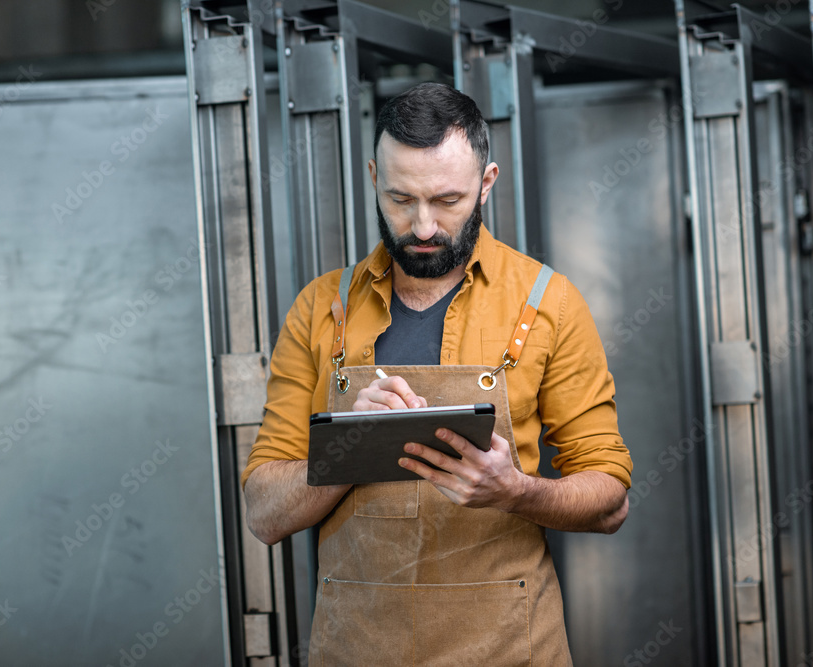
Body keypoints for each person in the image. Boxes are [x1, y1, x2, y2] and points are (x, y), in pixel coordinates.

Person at [241, 82, 632, 665]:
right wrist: (347, 448)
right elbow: (263, 514)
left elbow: (611, 500)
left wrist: (516, 491)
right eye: (401, 199)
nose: (422, 226)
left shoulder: (551, 303)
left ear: (487, 183)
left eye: (447, 201)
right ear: (374, 177)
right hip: (357, 648)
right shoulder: (320, 307)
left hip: (508, 648)